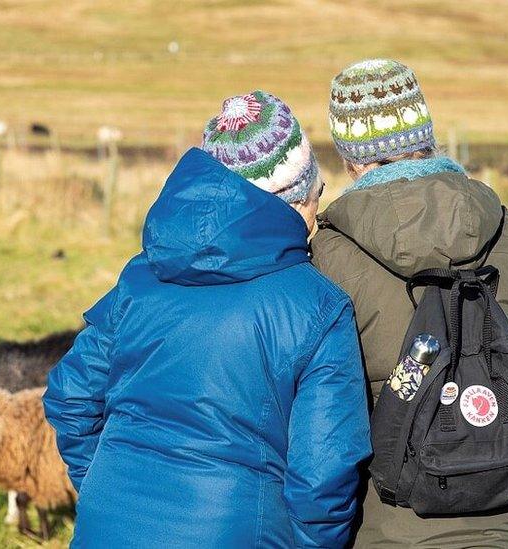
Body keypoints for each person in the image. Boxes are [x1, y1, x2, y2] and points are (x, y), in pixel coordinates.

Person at [44, 91, 371, 548]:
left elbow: (70, 397)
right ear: (295, 198)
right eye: (317, 194)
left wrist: (104, 484)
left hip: (108, 527)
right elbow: (323, 469)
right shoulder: (317, 306)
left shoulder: (140, 280)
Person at [312, 59, 508, 547]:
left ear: (350, 156)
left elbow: (326, 418)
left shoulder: (328, 256)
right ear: (426, 133)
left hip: (394, 523)